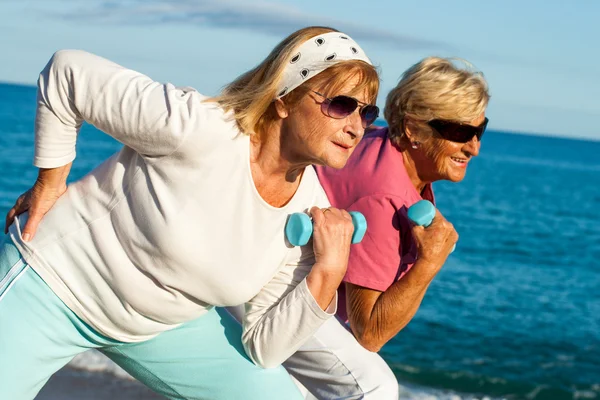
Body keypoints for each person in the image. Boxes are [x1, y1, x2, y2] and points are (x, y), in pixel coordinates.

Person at [0, 26, 381, 400]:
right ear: (283, 98)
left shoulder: (307, 209)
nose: (355, 128)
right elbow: (68, 72)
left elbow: (265, 347)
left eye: (367, 113)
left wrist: (328, 271)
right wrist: (50, 182)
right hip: (57, 286)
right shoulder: (199, 127)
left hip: (159, 328)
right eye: (341, 105)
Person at [276, 57, 490, 399]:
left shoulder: (376, 142)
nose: (474, 147)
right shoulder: (383, 201)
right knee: (373, 388)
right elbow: (369, 333)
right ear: (413, 129)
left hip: (288, 278)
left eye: (479, 130)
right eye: (460, 132)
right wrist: (429, 263)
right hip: (283, 292)